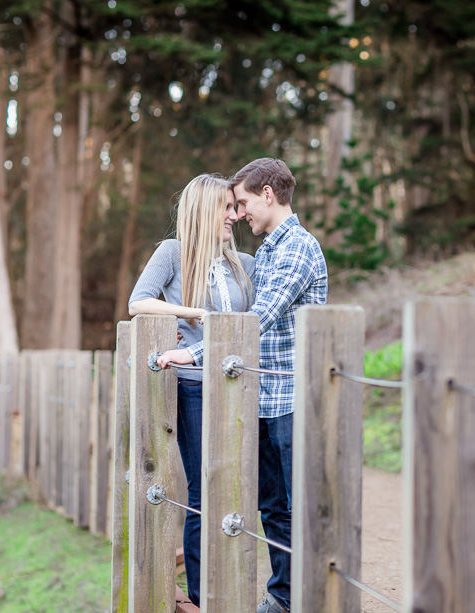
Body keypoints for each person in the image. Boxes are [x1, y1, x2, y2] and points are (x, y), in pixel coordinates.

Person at [158, 158, 328, 613]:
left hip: (292, 396)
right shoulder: (268, 249)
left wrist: (192, 353)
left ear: (268, 195)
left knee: (301, 505)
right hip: (264, 400)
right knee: (273, 507)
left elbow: (256, 319)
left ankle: (310, 597)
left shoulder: (296, 249)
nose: (240, 213)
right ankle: (284, 596)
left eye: (246, 202)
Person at [128, 173, 254, 607]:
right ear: (204, 209)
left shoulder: (244, 264)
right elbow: (138, 301)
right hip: (195, 389)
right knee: (207, 490)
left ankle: (236, 585)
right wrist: (193, 312)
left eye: (237, 208)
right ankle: (204, 597)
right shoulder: (172, 253)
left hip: (240, 389)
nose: (235, 217)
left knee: (240, 488)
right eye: (226, 208)